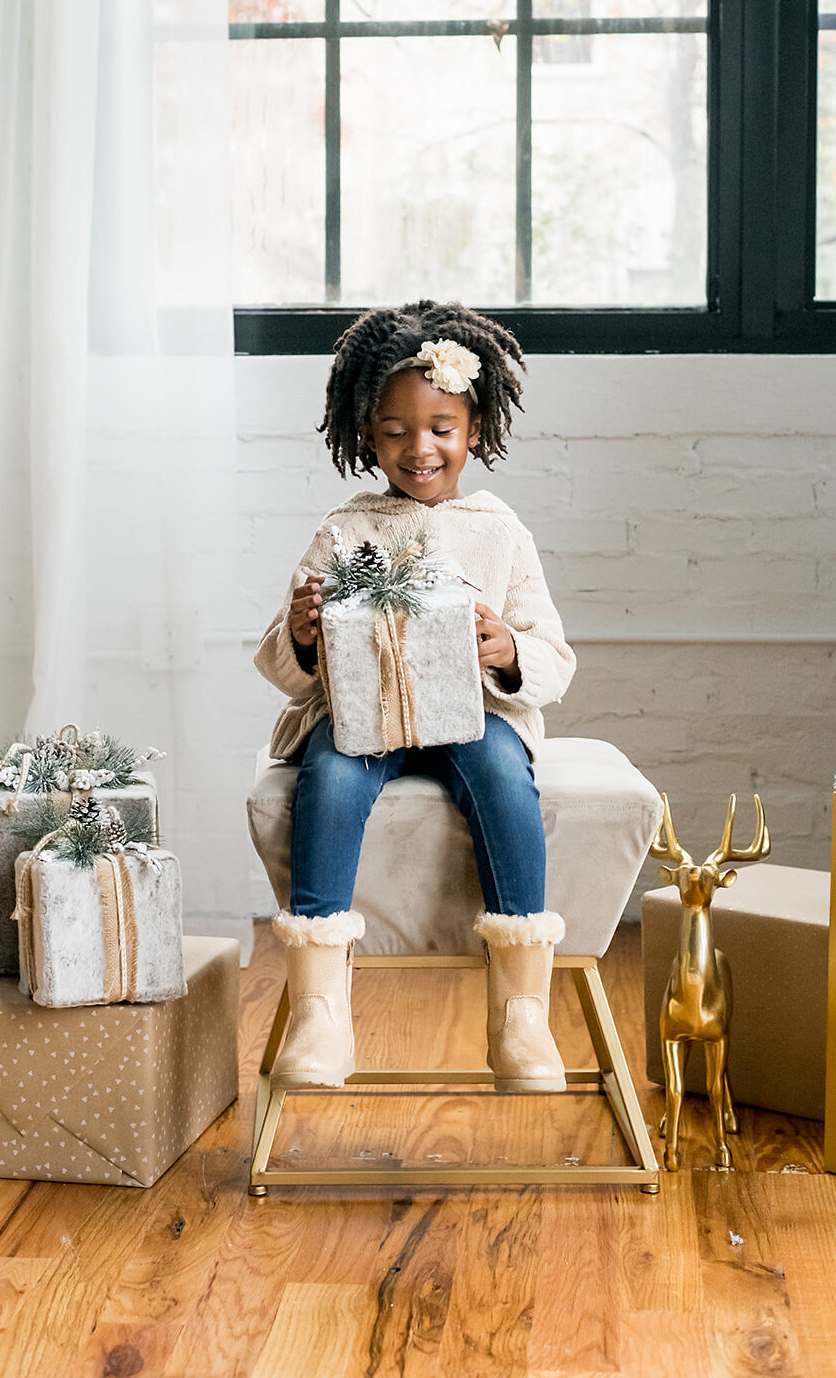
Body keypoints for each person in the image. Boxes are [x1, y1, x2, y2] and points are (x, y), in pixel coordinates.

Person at [254, 300, 576, 1094]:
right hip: (365, 713)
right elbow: (281, 660)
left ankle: (521, 1014)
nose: (419, 447)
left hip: (473, 713)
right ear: (367, 433)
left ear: (475, 428)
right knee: (328, 777)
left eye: (440, 427)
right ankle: (321, 1013)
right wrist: (302, 632)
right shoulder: (342, 529)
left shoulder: (500, 533)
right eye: (395, 431)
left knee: (504, 775)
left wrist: (506, 650)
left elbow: (552, 655)